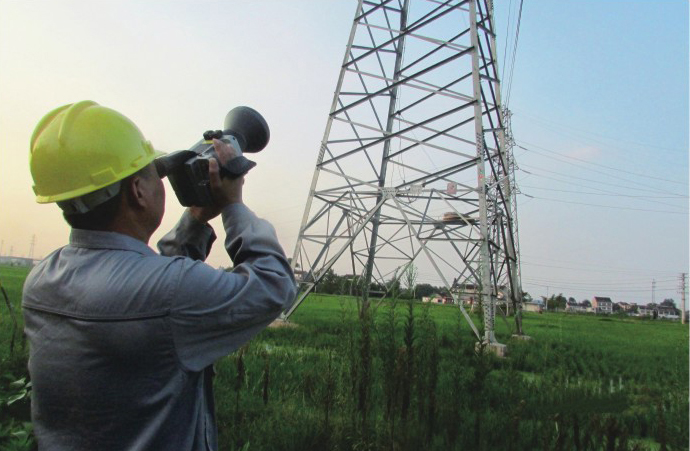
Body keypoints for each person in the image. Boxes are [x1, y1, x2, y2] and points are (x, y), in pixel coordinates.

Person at [22, 100, 296, 450]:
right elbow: (274, 285)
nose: (162, 183)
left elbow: (147, 287)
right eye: (156, 174)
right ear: (137, 191)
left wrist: (196, 218)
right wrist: (233, 205)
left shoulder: (42, 279)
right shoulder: (168, 292)